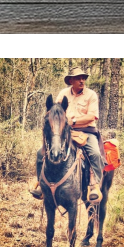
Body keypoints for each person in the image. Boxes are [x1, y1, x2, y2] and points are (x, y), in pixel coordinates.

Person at [30, 66, 104, 202]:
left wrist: (73, 120)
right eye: (78, 78)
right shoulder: (63, 93)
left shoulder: (91, 95)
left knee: (95, 153)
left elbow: (92, 116)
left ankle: (94, 186)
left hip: (86, 132)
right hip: (66, 131)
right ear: (71, 80)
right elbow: (56, 110)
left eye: (83, 78)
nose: (82, 81)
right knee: (40, 153)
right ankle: (41, 184)